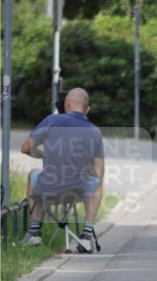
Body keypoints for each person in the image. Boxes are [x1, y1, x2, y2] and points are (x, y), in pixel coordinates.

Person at [20, 87, 105, 254]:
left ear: (67, 105)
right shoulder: (95, 131)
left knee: (33, 175)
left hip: (49, 189)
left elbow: (25, 148)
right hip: (77, 191)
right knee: (98, 183)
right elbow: (99, 171)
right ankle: (87, 235)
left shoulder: (51, 121)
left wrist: (43, 154)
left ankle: (34, 231)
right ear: (87, 110)